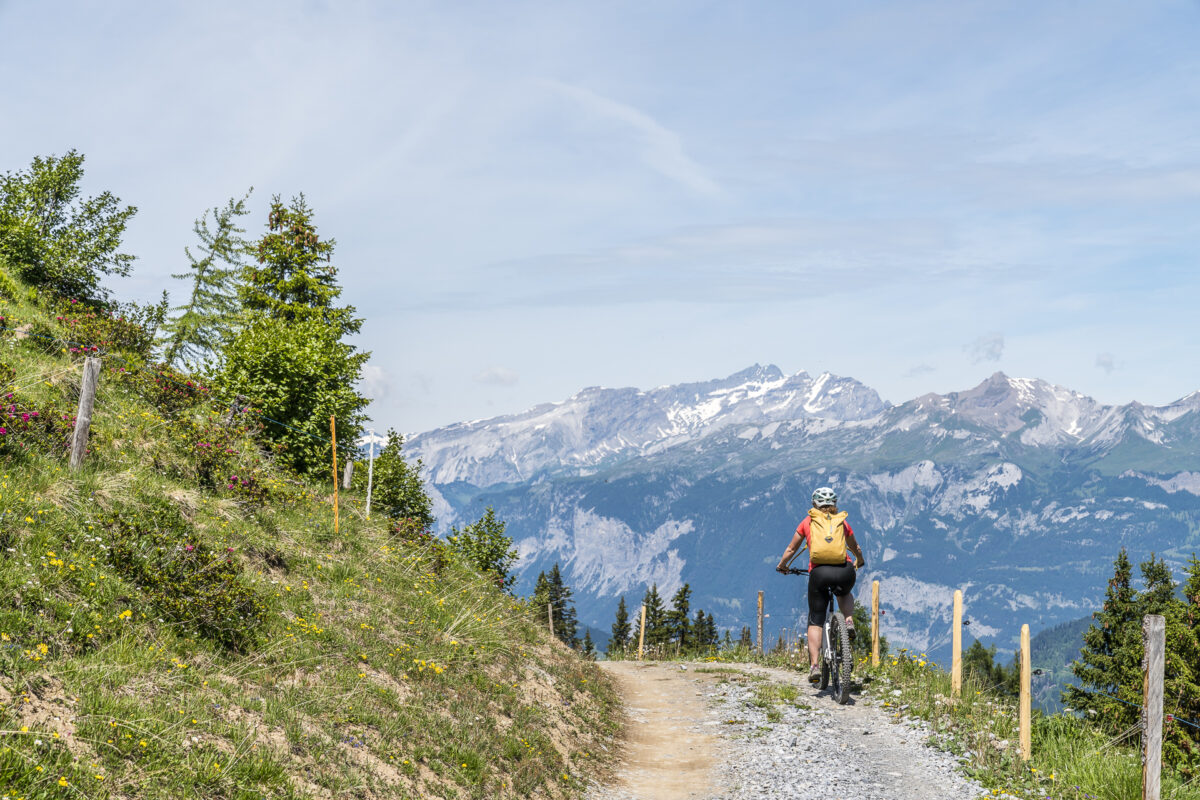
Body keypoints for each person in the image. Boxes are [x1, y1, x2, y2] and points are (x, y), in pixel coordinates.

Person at [776, 486, 866, 684]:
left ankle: (815, 665)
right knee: (844, 594)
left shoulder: (808, 522)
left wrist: (782, 566)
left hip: (819, 573)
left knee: (816, 619)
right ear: (834, 505)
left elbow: (792, 548)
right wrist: (859, 559)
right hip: (844, 571)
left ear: (814, 504)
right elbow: (855, 547)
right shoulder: (842, 522)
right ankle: (848, 621)